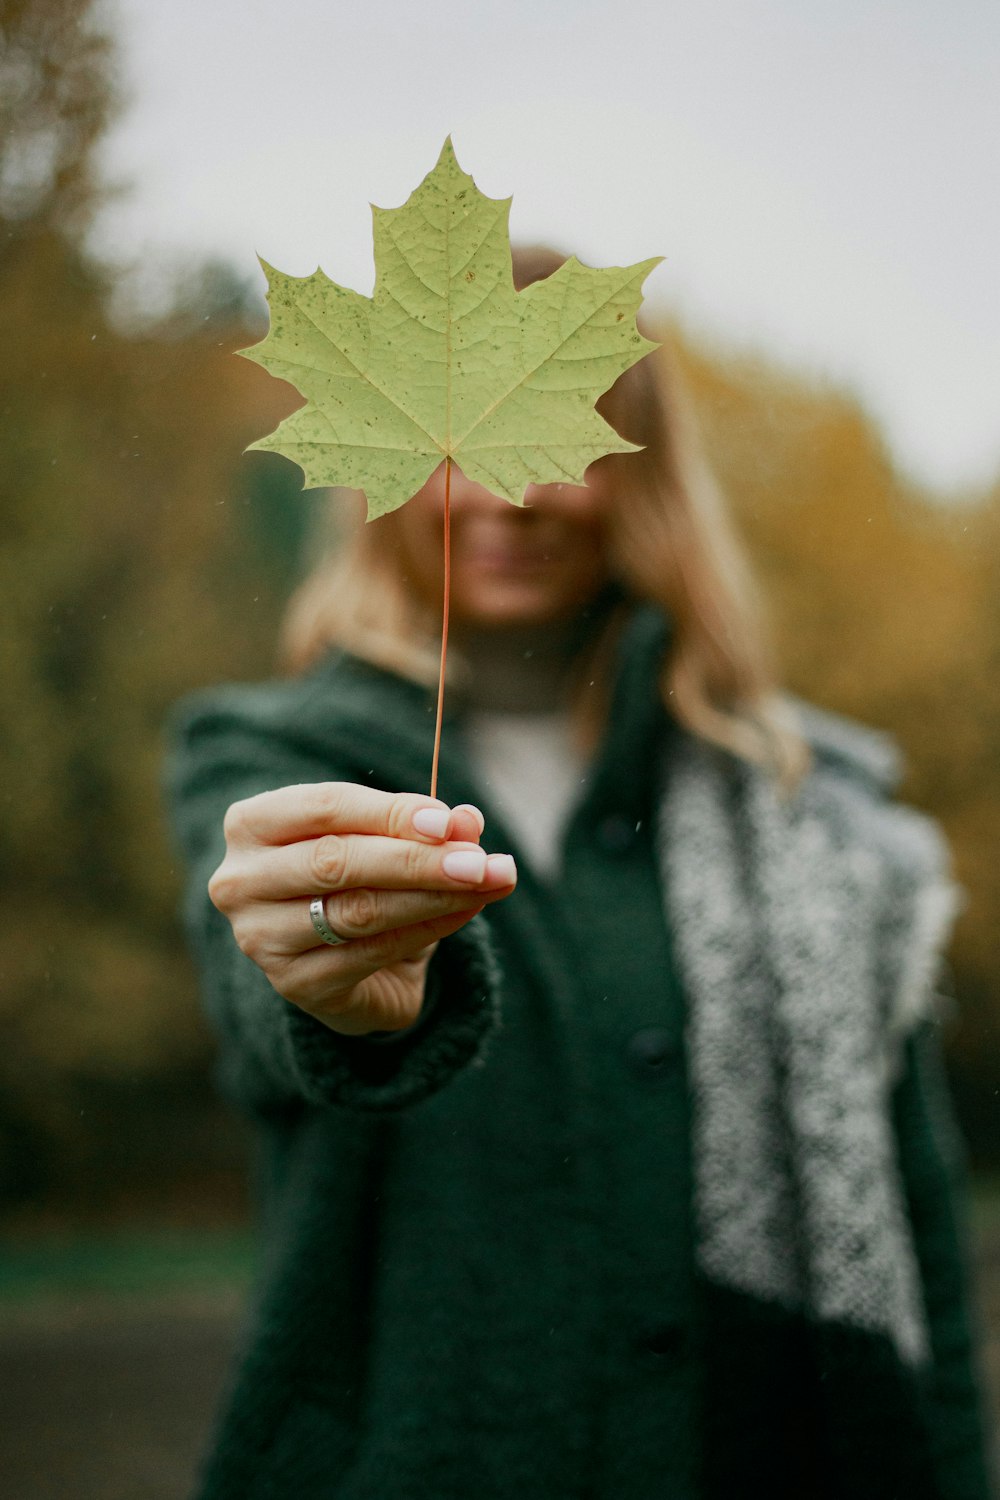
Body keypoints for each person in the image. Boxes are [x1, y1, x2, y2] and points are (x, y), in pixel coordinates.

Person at [166, 246, 995, 1500]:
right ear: (375, 466)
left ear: (646, 485)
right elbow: (257, 1013)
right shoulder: (271, 762)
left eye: (560, 438)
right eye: (463, 443)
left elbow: (918, 1232)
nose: (511, 495)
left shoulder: (810, 812)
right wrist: (327, 982)